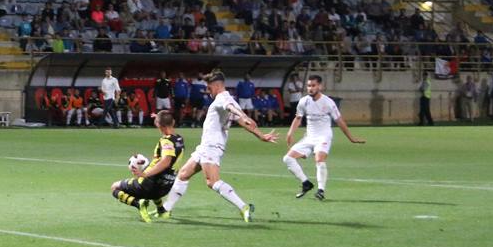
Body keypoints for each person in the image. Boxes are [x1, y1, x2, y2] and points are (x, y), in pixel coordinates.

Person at [154, 70, 279, 223]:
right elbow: (240, 120)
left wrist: (242, 115)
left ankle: (243, 207)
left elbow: (232, 110)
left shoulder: (222, 99)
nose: (208, 91)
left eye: (209, 87)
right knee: (183, 174)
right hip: (205, 146)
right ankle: (166, 210)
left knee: (212, 181)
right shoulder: (229, 99)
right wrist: (260, 135)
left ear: (217, 85)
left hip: (211, 146)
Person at [282, 74, 365, 200]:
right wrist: (290, 133)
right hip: (309, 137)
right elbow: (298, 118)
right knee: (287, 159)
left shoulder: (328, 102)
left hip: (323, 137)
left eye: (313, 86)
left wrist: (351, 138)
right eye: (309, 86)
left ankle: (321, 190)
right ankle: (306, 183)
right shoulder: (304, 101)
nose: (310, 88)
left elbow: (340, 121)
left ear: (320, 86)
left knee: (319, 160)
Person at [113, 110, 183, 220]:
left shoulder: (166, 141)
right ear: (172, 123)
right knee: (157, 176)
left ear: (159, 125)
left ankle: (138, 203)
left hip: (148, 186)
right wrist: (159, 118)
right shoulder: (179, 139)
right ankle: (161, 210)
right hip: (166, 187)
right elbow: (167, 121)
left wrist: (144, 174)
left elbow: (165, 161)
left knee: (115, 187)